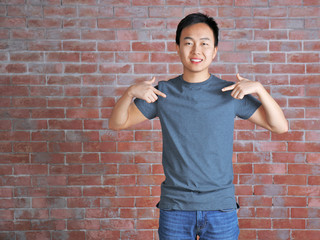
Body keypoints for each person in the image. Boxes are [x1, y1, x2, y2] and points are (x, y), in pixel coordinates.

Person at [109, 12, 288, 240]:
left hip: (221, 208)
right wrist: (129, 93)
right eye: (188, 43)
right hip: (175, 208)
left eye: (204, 43)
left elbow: (280, 126)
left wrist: (260, 89)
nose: (196, 51)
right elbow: (117, 123)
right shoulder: (163, 92)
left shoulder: (231, 92)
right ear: (177, 48)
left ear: (214, 51)